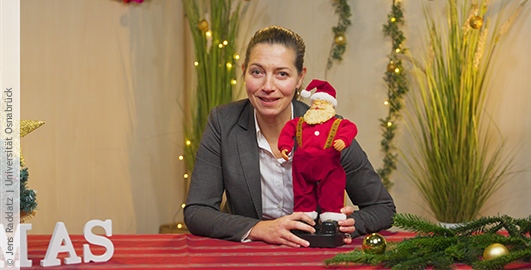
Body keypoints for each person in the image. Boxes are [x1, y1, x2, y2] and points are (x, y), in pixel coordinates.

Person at [184, 25, 395, 248]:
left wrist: (344, 224)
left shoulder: (330, 127)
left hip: (316, 255)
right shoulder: (223, 122)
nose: (267, 86)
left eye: (282, 74)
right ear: (244, 71)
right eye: (257, 72)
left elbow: (383, 209)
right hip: (251, 257)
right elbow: (197, 211)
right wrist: (260, 229)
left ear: (300, 78)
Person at [278, 79, 358, 224]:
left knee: (331, 189)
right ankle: (304, 214)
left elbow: (350, 127)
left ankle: (331, 215)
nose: (317, 106)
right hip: (302, 165)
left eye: (322, 104)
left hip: (328, 164)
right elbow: (287, 130)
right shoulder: (300, 122)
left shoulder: (336, 123)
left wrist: (343, 139)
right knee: (302, 190)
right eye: (315, 103)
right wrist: (285, 146)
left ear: (330, 106)